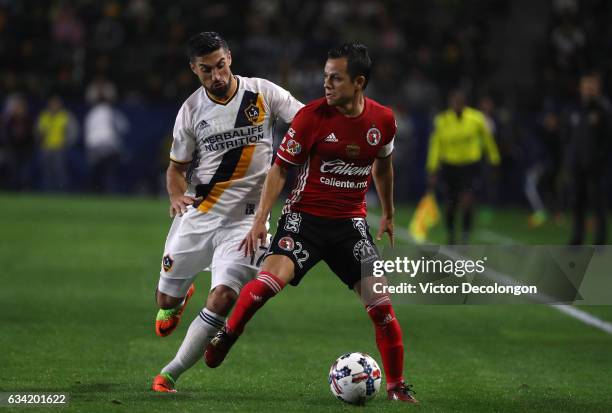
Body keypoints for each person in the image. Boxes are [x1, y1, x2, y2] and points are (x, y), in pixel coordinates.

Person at [205, 42, 418, 404]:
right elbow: (279, 170)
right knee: (269, 284)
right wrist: (260, 220)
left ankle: (397, 387)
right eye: (325, 77)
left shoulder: (383, 120)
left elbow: (383, 164)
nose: (327, 84)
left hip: (350, 225)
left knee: (382, 307)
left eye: (336, 78)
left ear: (359, 82)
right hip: (304, 220)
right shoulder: (311, 118)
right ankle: (229, 332)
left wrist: (390, 213)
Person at [151, 32, 302, 392]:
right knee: (164, 301)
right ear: (194, 69)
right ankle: (179, 297)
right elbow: (175, 168)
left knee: (224, 295)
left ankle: (169, 374)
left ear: (229, 58)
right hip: (201, 214)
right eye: (207, 70)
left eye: (220, 66)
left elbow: (306, 120)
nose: (216, 76)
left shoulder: (264, 93)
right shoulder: (190, 111)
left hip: (248, 220)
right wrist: (175, 196)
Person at [426, 90, 500, 244]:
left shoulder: (476, 119)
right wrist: (432, 168)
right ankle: (451, 233)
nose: (457, 105)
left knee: (467, 200)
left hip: (470, 166)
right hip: (449, 166)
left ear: (464, 103)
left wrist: (494, 160)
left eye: (459, 102)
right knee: (450, 203)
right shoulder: (442, 120)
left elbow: (487, 140)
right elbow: (436, 145)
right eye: (454, 102)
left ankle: (465, 234)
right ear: (450, 103)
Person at [563, 72, 611, 245]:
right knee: (577, 202)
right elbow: (567, 136)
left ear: (598, 88)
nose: (589, 90)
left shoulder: (604, 109)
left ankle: (600, 241)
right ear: (581, 87)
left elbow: (607, 139)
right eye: (586, 86)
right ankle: (577, 238)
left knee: (598, 203)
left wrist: (600, 159)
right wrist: (569, 158)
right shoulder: (574, 108)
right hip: (577, 164)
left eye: (592, 86)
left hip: (596, 166)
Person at [84, 95, 129, 193]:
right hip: (107, 144)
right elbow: (124, 127)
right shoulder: (110, 111)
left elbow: (87, 131)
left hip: (93, 145)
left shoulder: (91, 113)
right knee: (109, 170)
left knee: (96, 171)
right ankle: (109, 190)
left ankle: (93, 191)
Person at [36, 95, 78, 192]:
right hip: (46, 148)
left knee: (60, 172)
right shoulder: (44, 116)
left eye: (56, 104)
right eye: (52, 104)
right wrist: (40, 139)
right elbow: (38, 131)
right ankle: (47, 192)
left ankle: (61, 192)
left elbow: (74, 131)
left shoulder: (65, 116)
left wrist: (66, 143)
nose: (54, 106)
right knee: (46, 172)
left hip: (60, 148)